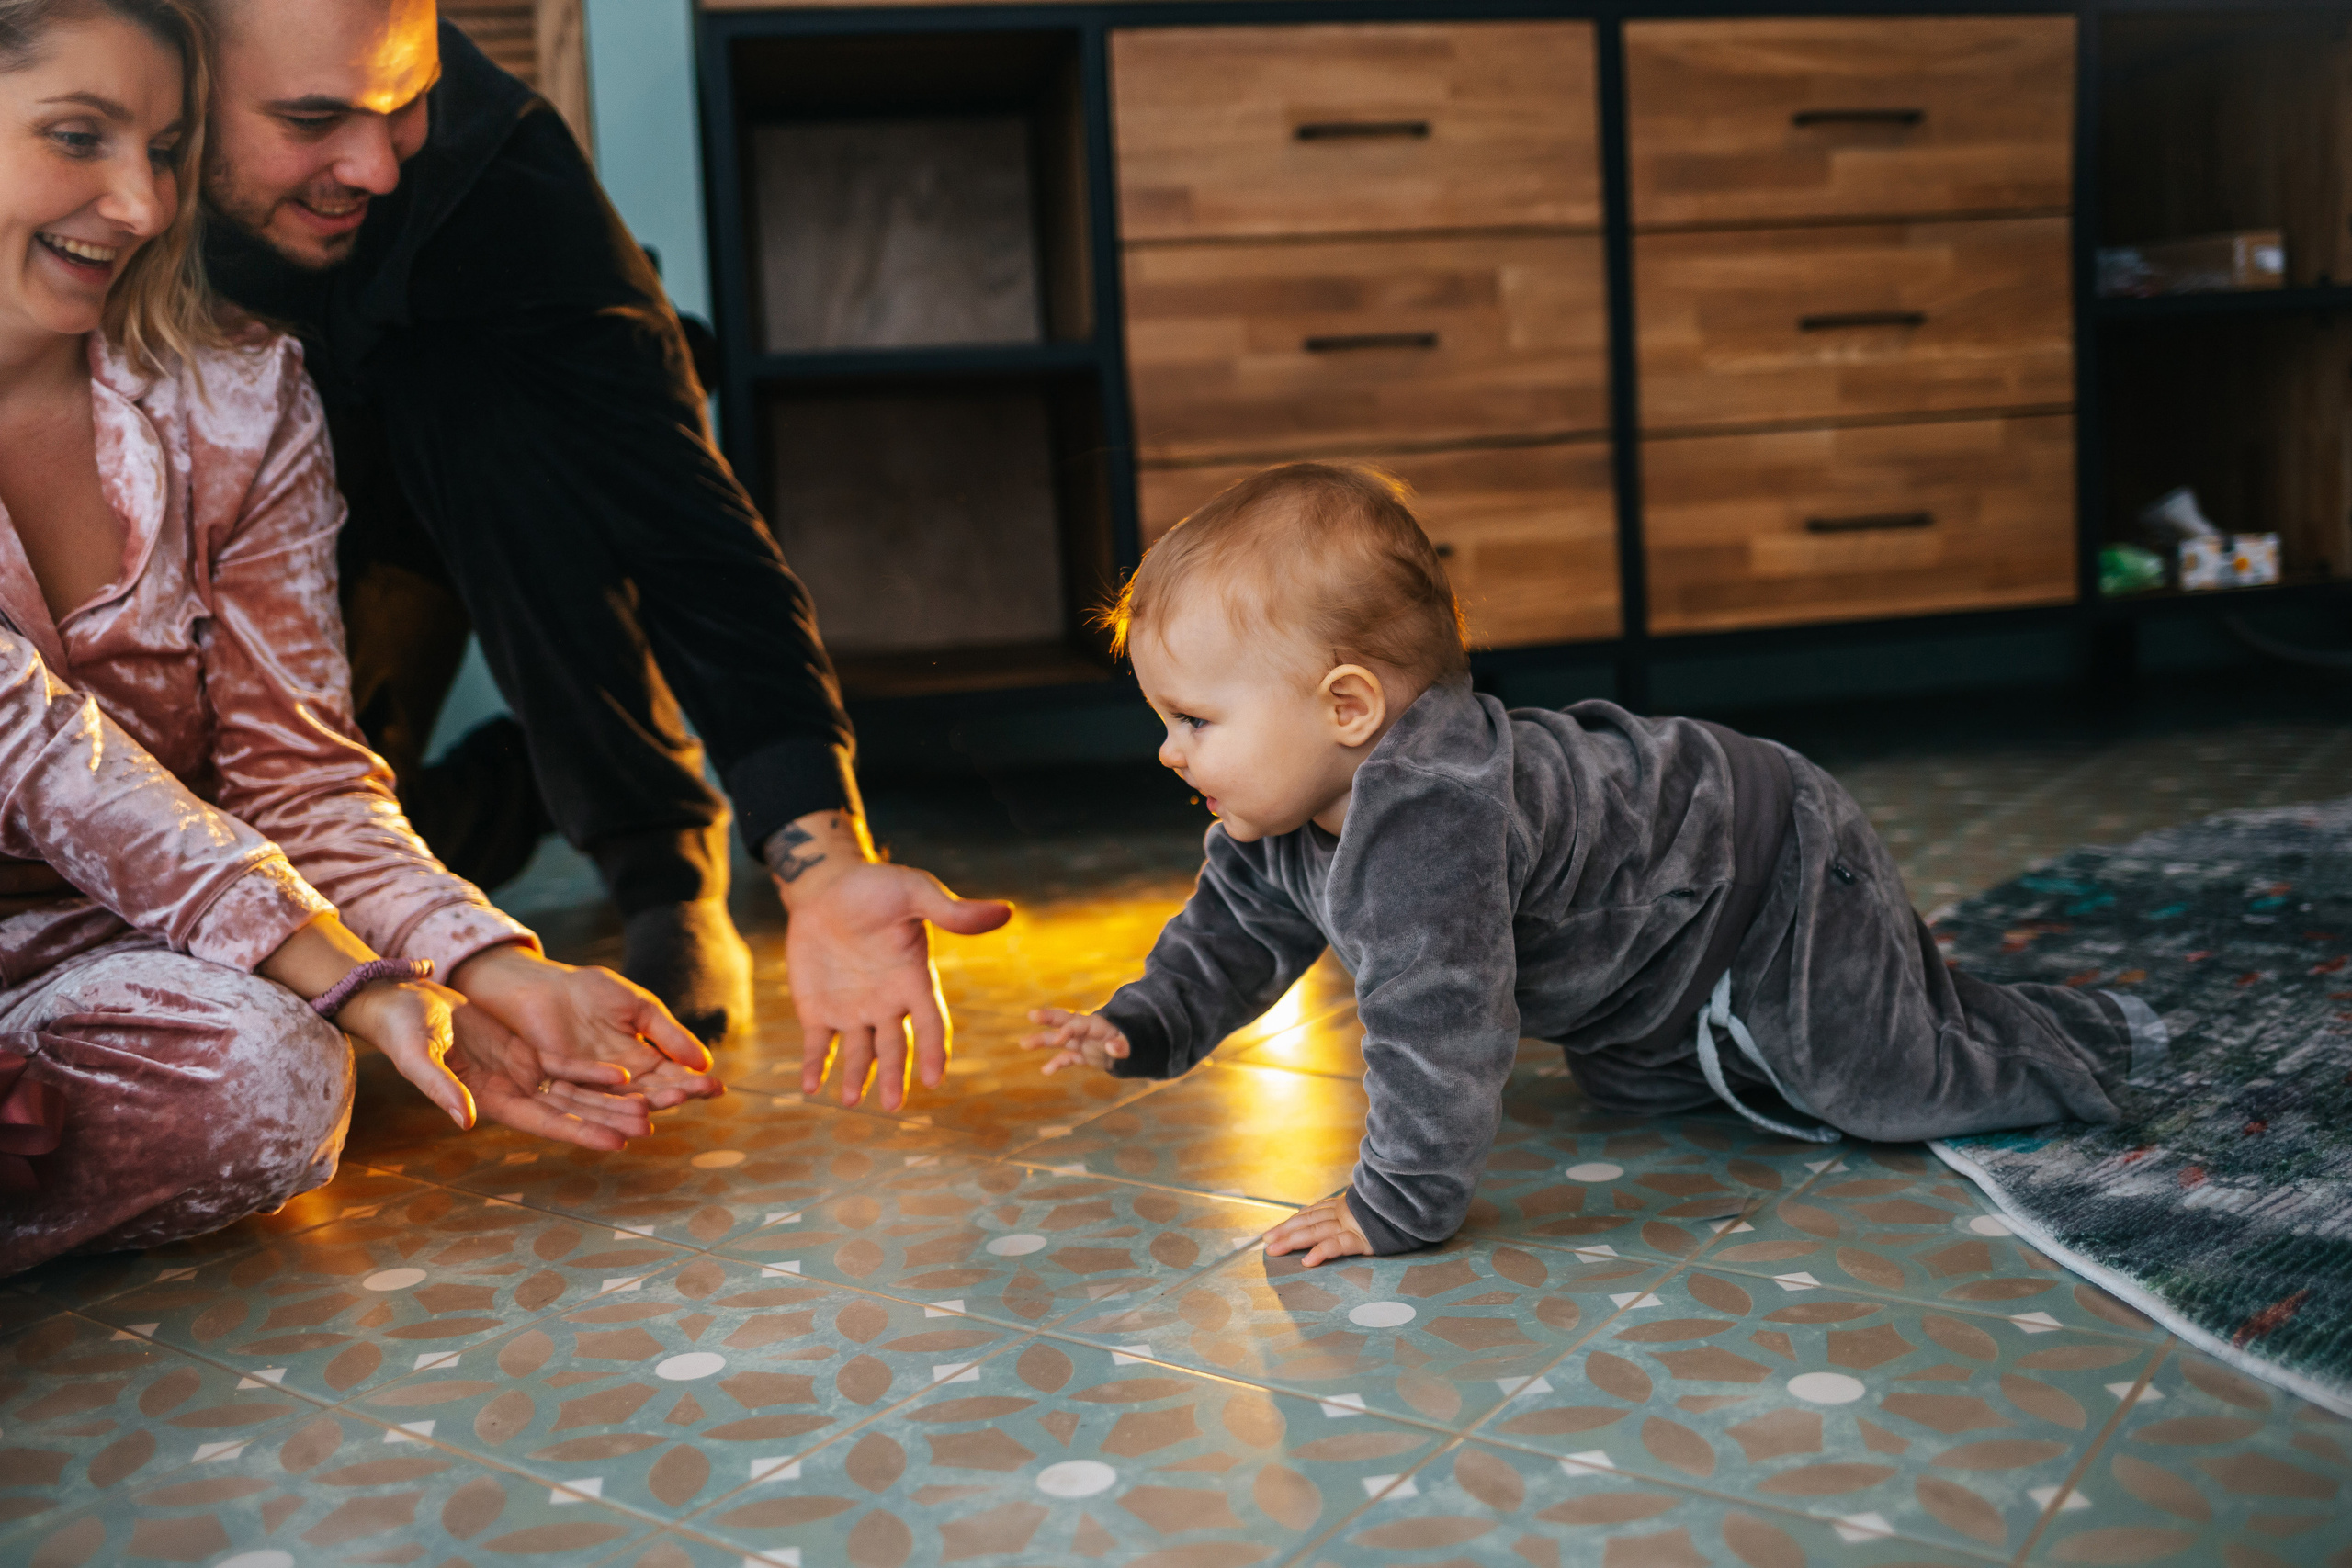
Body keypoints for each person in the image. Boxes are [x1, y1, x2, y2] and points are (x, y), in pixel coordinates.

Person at [1021, 464, 2169, 1264]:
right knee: (1636, 1087)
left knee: (1877, 1080)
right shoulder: (1273, 821)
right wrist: (1147, 1023)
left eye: (1195, 721)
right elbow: (1228, 937)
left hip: (1766, 861)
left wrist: (1396, 1207)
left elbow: (1440, 1033)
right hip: (1653, 950)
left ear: (1349, 706)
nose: (1168, 752)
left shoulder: (1427, 826)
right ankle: (1718, 1029)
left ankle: (2091, 1044)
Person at [0, 0, 721, 1274]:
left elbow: (304, 781)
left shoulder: (238, 392)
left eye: (166, 150)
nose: (140, 205)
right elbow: (43, 752)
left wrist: (488, 967)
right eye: (77, 136)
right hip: (231, 919)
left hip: (118, 950)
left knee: (278, 1081)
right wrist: (345, 969)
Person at [188, 0, 1010, 1087]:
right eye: (313, 118)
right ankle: (526, 776)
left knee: (489, 410)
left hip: (478, 470)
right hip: (250, 538)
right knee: (284, 891)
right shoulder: (86, 157)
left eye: (410, 102)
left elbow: (684, 522)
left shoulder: (498, 169)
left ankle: (663, 855)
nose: (379, 166)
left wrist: (822, 860)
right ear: (177, 81)